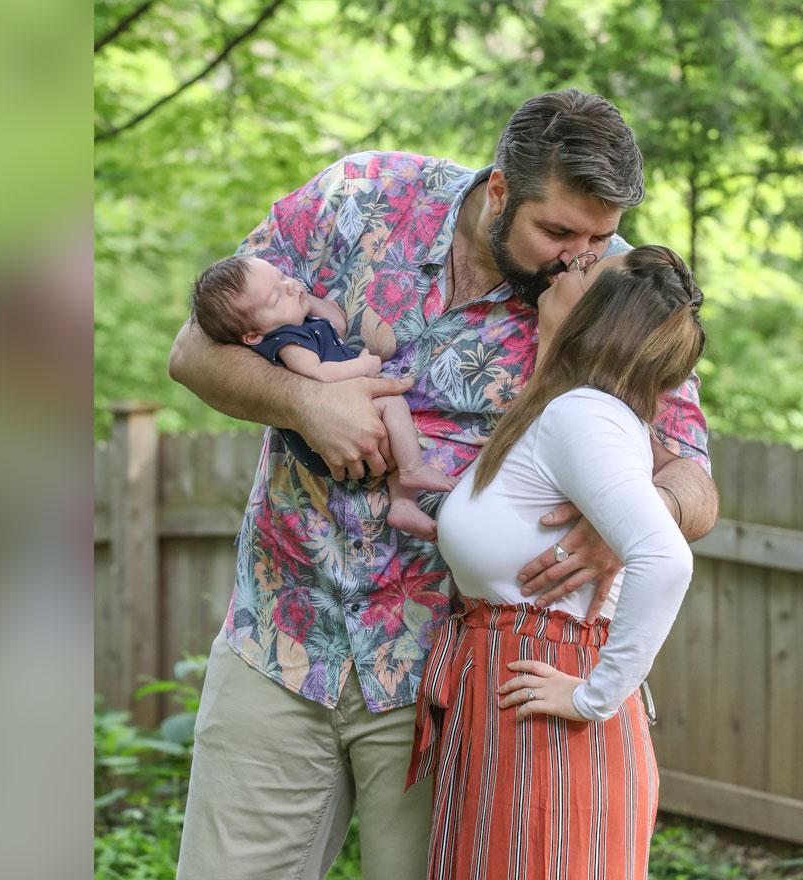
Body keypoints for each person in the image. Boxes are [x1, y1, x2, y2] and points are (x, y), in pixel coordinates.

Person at [167, 89, 719, 880]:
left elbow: (693, 480)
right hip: (280, 640)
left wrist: (631, 518)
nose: (577, 254)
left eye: (597, 235)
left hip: (446, 682)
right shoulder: (359, 196)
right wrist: (305, 402)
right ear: (499, 189)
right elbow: (193, 352)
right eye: (557, 230)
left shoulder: (606, 292)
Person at [407, 246, 705, 879]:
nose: (573, 259)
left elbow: (665, 559)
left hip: (545, 718)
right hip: (508, 704)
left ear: (601, 317)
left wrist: (594, 698)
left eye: (588, 268)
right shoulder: (562, 410)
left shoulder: (583, 416)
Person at [189, 253, 457, 539]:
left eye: (282, 277)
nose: (290, 286)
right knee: (393, 404)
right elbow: (319, 374)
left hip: (349, 417)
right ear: (253, 335)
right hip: (327, 434)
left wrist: (298, 296)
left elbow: (337, 323)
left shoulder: (299, 323)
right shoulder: (285, 343)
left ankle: (403, 504)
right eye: (276, 298)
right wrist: (363, 366)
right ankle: (413, 467)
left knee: (390, 447)